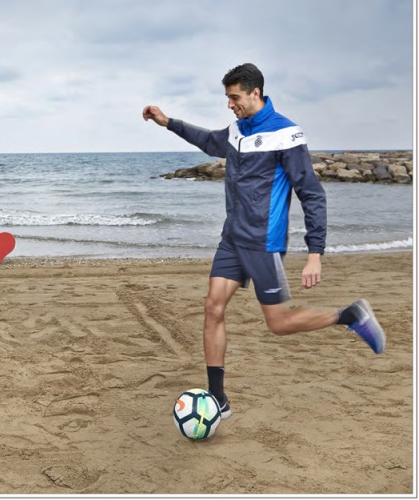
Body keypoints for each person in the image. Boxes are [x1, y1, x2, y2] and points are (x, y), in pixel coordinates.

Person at [142, 63, 386, 420]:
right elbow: (210, 141)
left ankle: (349, 315)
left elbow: (312, 194)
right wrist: (169, 122)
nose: (230, 105)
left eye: (234, 97)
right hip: (232, 238)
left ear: (255, 93)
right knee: (213, 307)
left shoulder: (286, 134)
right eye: (227, 98)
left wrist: (315, 252)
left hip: (263, 242)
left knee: (278, 323)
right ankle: (218, 399)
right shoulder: (238, 131)